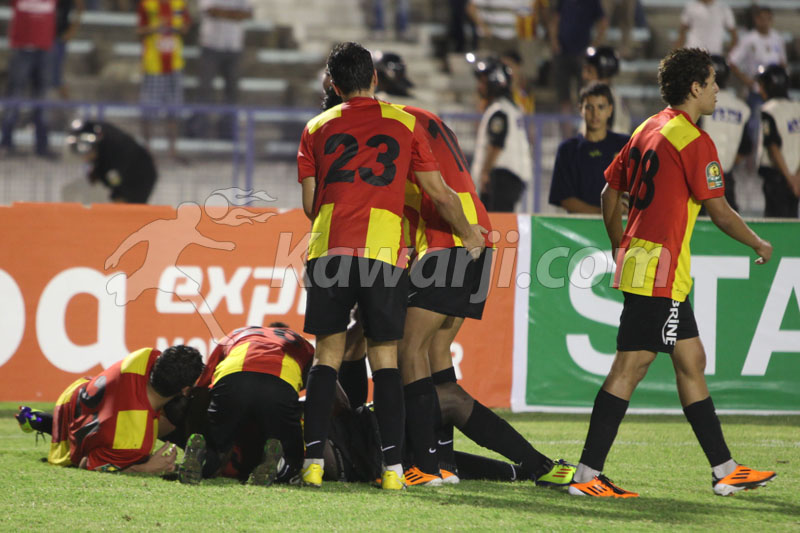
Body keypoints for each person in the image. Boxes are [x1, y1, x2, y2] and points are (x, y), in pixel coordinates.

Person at [568, 48, 777, 498]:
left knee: (691, 359)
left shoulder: (647, 126)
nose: (718, 88)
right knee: (631, 366)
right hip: (660, 271)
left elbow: (609, 191)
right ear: (695, 88)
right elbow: (718, 213)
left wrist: (618, 243)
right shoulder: (694, 141)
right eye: (713, 81)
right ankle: (586, 477)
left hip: (650, 264)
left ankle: (725, 469)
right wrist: (758, 242)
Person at [296, 41, 485, 490]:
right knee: (385, 358)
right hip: (383, 252)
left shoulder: (316, 127)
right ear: (374, 79)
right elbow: (438, 191)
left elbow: (309, 204)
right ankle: (394, 470)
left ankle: (313, 465)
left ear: (334, 84)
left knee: (328, 356)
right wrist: (469, 234)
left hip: (330, 249)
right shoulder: (404, 122)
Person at [16, 345, 204, 473]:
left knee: (102, 428)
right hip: (84, 434)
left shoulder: (144, 356)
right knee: (105, 439)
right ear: (185, 389)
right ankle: (41, 421)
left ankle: (37, 419)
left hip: (74, 396)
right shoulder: (136, 442)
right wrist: (144, 468)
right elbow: (86, 464)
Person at [176, 324, 315, 486]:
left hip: (232, 380)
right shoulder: (302, 344)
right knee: (293, 457)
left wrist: (201, 429)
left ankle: (202, 458)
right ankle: (278, 464)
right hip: (278, 385)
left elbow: (201, 389)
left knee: (216, 449)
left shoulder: (236, 334)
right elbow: (320, 387)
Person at [549, 82, 629, 213]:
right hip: (579, 229)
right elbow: (565, 198)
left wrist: (625, 207)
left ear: (610, 110)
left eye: (601, 107)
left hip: (618, 229)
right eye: (589, 107)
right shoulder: (567, 150)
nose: (595, 113)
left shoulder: (624, 145)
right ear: (580, 109)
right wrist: (603, 213)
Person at [471, 56, 533, 212]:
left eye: (483, 82)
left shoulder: (499, 111)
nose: (479, 87)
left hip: (500, 178)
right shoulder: (511, 108)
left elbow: (496, 144)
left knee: (496, 230)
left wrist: (485, 173)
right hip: (510, 178)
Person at [0, 0, 57, 158]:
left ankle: (42, 146)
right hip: (22, 49)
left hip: (44, 50)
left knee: (43, 99)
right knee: (14, 97)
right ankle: (6, 143)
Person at [188, 0, 252, 139]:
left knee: (232, 93)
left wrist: (223, 13)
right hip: (211, 44)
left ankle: (227, 131)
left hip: (234, 46)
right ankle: (199, 130)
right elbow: (210, 10)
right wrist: (234, 15)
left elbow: (248, 13)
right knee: (204, 90)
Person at [137, 0, 191, 160]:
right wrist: (155, 28)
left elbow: (186, 26)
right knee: (148, 109)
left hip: (175, 64)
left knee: (174, 110)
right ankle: (146, 149)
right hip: (154, 65)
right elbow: (139, 31)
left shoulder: (179, 4)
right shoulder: (147, 4)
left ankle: (172, 150)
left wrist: (180, 28)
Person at [728, 6, 787, 152]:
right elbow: (732, 61)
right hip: (757, 92)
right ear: (756, 20)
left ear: (771, 20)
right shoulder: (749, 39)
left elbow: (782, 62)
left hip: (775, 92)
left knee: (777, 125)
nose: (764, 22)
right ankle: (751, 163)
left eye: (767, 19)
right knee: (754, 128)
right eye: (761, 18)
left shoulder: (777, 38)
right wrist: (746, 80)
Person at [697, 55, 751, 212]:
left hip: (700, 178)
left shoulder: (699, 102)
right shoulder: (742, 108)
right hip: (725, 177)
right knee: (729, 226)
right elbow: (746, 147)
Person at [65, 119, 158, 203]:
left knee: (128, 209)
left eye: (87, 154)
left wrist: (118, 196)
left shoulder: (115, 155)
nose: (85, 158)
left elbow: (116, 183)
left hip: (141, 177)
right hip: (123, 170)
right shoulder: (99, 135)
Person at [548, 0, 607, 125]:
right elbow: (555, 19)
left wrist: (594, 45)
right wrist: (554, 42)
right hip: (563, 53)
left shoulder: (592, 2)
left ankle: (584, 132)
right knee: (563, 99)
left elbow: (602, 22)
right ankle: (567, 137)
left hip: (582, 56)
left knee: (586, 97)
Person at [756, 64, 800, 218]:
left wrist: (789, 179)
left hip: (778, 178)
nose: (760, 90)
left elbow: (772, 146)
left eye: (762, 86)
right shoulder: (797, 108)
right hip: (796, 178)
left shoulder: (769, 110)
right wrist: (797, 178)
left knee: (775, 225)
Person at [581, 45, 630, 134]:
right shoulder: (610, 95)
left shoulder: (603, 97)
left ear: (603, 72)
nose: (585, 76)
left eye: (589, 71)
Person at [52, 0, 85, 101]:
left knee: (56, 75)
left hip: (59, 37)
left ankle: (67, 106)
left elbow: (80, 8)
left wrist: (72, 30)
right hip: (42, 36)